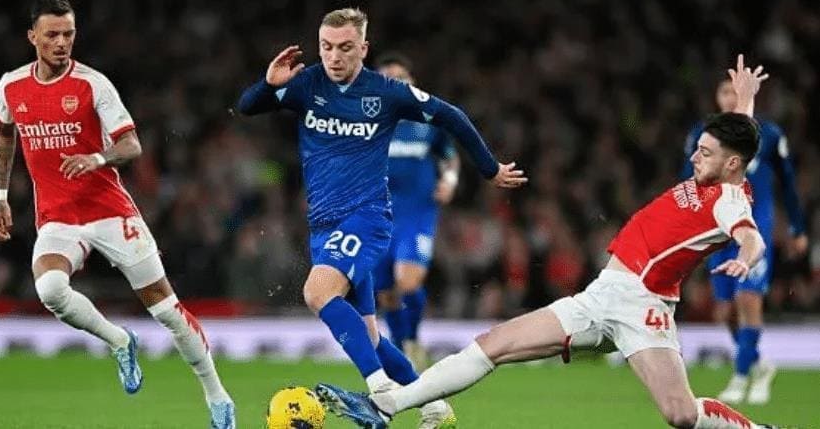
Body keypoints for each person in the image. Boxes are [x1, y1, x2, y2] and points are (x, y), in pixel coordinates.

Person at [316, 55, 781, 429]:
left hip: (643, 308)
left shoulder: (729, 200)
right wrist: (744, 104)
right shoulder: (724, 165)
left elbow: (749, 236)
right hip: (602, 295)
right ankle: (386, 406)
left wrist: (746, 257)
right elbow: (736, 144)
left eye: (705, 152)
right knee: (494, 344)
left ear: (732, 164)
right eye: (698, 148)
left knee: (680, 415)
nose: (695, 157)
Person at [236, 7, 526, 429]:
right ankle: (435, 408)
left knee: (317, 293)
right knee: (369, 336)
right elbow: (247, 107)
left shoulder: (386, 93)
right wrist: (268, 84)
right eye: (326, 47)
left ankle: (381, 392)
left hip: (366, 218)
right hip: (323, 226)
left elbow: (452, 116)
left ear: (363, 48)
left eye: (345, 48)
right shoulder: (308, 84)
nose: (334, 56)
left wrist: (489, 169)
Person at [0, 0, 234, 428]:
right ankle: (120, 340)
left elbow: (131, 144)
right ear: (32, 37)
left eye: (68, 34)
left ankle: (218, 397)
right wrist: (1, 196)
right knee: (50, 289)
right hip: (58, 218)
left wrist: (97, 158)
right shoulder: (11, 86)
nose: (61, 42)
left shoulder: (93, 84)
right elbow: (3, 133)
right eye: (52, 35)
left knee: (166, 310)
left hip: (110, 213)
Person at [682, 79, 807, 405]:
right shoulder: (703, 133)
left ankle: (740, 377)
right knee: (725, 312)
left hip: (754, 229)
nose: (730, 98)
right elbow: (688, 180)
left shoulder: (769, 134)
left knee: (748, 299)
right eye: (724, 92)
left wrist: (797, 227)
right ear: (716, 97)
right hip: (719, 229)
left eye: (736, 92)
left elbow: (787, 181)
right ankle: (760, 365)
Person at [373, 52, 461, 369]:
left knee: (408, 282)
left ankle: (412, 340)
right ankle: (402, 350)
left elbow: (450, 157)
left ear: (412, 82)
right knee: (385, 293)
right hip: (378, 218)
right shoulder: (368, 124)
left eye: (401, 77)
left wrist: (449, 181)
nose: (396, 83)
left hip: (417, 215)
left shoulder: (428, 119)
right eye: (388, 79)